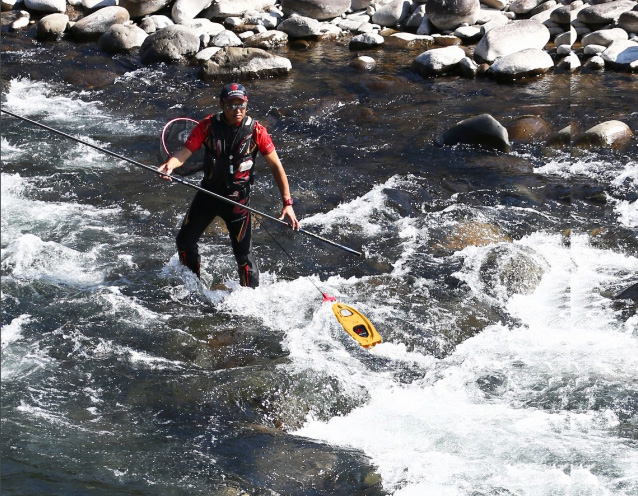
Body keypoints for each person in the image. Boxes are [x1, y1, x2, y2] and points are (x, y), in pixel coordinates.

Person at [158, 82, 300, 288]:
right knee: (184, 242)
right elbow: (185, 152)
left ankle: (251, 299)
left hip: (237, 201)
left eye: (241, 105)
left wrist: (287, 203)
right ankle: (193, 287)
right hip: (208, 195)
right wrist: (170, 165)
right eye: (231, 106)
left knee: (244, 256)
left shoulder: (257, 131)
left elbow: (276, 166)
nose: (237, 111)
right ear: (221, 104)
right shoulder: (207, 125)